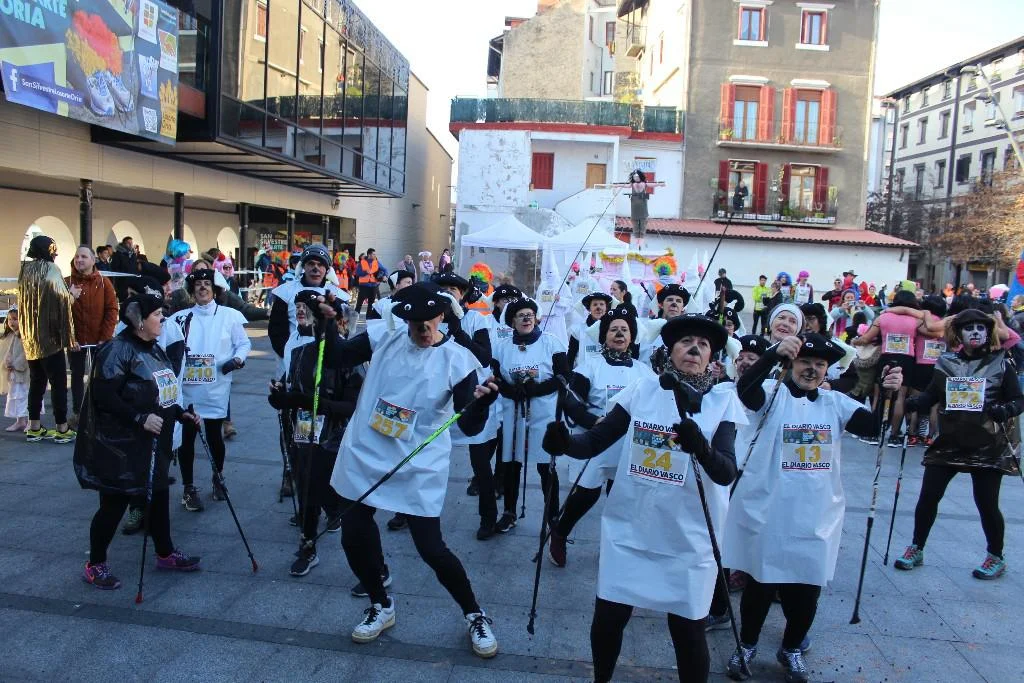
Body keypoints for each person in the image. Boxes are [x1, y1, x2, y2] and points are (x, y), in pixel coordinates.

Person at [542, 313, 745, 683]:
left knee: (687, 632)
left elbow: (726, 472)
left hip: (689, 540)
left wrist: (702, 448)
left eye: (702, 344)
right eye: (686, 342)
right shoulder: (642, 390)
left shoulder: (723, 402)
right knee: (608, 618)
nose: (694, 348)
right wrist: (564, 443)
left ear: (711, 358)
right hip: (631, 530)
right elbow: (596, 440)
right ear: (670, 351)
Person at [321, 282, 500, 657]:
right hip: (366, 450)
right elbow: (336, 357)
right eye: (414, 322)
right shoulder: (383, 338)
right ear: (404, 320)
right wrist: (328, 322)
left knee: (431, 548)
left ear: (442, 316)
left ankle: (474, 613)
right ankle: (380, 604)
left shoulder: (456, 360)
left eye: (429, 321)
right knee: (353, 534)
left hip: (418, 460)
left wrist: (482, 404)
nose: (422, 328)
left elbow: (469, 425)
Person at [725, 333, 904, 682]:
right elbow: (745, 389)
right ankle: (746, 644)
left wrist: (888, 392)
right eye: (805, 362)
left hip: (815, 516)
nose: (812, 369)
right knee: (761, 584)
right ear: (792, 363)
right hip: (769, 512)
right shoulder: (771, 395)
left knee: (807, 589)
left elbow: (875, 427)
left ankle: (791, 647)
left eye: (820, 364)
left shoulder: (834, 403)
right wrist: (771, 355)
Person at [74, 293, 203, 590]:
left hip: (152, 442)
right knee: (115, 502)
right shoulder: (117, 350)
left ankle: (165, 553)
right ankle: (95, 564)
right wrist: (138, 418)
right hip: (120, 444)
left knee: (158, 494)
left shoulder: (153, 348)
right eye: (156, 314)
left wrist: (180, 413)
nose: (162, 319)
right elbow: (103, 395)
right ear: (139, 321)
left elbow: (160, 392)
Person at [895, 309, 1024, 579]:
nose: (975, 332)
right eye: (969, 327)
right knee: (928, 496)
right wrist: (914, 402)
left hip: (988, 445)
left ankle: (996, 556)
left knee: (986, 503)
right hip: (950, 442)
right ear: (958, 334)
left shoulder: (1001, 362)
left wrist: (1006, 409)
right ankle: (916, 547)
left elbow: (1019, 399)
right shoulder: (946, 362)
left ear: (988, 333)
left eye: (981, 327)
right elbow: (932, 395)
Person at [548, 306, 656, 567]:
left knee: (621, 497)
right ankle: (560, 533)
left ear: (632, 337)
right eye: (613, 330)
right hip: (595, 441)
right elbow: (571, 404)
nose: (619, 334)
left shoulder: (644, 371)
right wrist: (595, 422)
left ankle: (615, 546)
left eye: (624, 330)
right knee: (586, 495)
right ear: (604, 336)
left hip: (628, 444)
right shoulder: (589, 367)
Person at [270, 291, 360, 577]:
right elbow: (292, 393)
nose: (302, 313)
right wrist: (280, 398)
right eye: (297, 308)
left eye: (307, 309)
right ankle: (307, 546)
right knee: (307, 488)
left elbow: (354, 405)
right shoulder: (299, 353)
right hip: (305, 432)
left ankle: (336, 515)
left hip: (337, 437)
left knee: (333, 491)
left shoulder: (348, 356)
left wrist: (324, 406)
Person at [169, 269, 251, 511]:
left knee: (215, 435)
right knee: (187, 437)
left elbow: (243, 343)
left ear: (215, 289)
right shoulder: (180, 318)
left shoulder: (230, 316)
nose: (203, 287)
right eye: (198, 284)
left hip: (216, 385)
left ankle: (218, 477)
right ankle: (188, 487)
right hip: (188, 388)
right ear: (192, 290)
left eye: (207, 283)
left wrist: (237, 359)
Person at [491, 296, 569, 532]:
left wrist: (538, 389)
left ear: (536, 318)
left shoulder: (551, 342)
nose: (526, 319)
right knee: (512, 464)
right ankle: (509, 512)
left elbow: (564, 376)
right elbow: (496, 377)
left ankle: (553, 516)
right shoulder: (502, 346)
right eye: (520, 316)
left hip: (543, 414)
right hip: (513, 412)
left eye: (530, 315)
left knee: (546, 466)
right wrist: (510, 390)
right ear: (512, 321)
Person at [17, 235, 76, 443]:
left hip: (30, 339)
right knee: (58, 384)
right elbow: (63, 299)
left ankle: (34, 427)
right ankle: (62, 428)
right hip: (51, 339)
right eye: (53, 250)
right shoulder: (52, 269)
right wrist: (73, 295)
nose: (56, 254)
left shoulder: (25, 270)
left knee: (37, 383)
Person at [269, 245, 349, 380]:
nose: (315, 268)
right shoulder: (285, 292)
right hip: (291, 361)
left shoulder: (339, 296)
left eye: (320, 265)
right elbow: (276, 331)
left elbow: (344, 332)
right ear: (303, 266)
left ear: (327, 269)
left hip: (325, 362)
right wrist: (290, 354)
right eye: (311, 263)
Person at [852, 290, 920, 446]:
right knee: (900, 397)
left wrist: (855, 342)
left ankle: (875, 432)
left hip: (886, 358)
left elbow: (866, 339)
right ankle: (894, 435)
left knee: (880, 396)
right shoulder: (916, 320)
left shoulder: (883, 317)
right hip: (907, 360)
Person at [66, 246, 118, 427]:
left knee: (100, 376)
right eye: (76, 256)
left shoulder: (104, 283)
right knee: (77, 376)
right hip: (76, 342)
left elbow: (112, 310)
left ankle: (100, 412)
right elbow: (60, 313)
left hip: (99, 341)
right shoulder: (66, 282)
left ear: (93, 260)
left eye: (83, 256)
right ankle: (78, 414)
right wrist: (70, 338)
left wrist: (105, 337)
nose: (79, 260)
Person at [1, 306, 29, 432]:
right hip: (14, 373)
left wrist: (16, 364)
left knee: (26, 395)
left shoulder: (26, 336)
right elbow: (8, 352)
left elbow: (25, 354)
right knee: (16, 396)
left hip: (25, 373)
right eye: (9, 319)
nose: (11, 322)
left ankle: (30, 421)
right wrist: (7, 361)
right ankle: (20, 421)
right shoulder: (12, 336)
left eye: (15, 319)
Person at [567, 292, 612, 368]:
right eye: (595, 304)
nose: (598, 307)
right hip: (582, 372)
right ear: (589, 308)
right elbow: (571, 355)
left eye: (601, 304)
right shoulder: (578, 330)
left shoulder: (613, 329)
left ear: (606, 308)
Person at [354, 248, 387, 317]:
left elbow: (385, 269)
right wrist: (365, 272)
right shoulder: (362, 262)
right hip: (364, 286)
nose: (375, 255)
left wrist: (385, 275)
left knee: (371, 305)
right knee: (359, 304)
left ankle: (368, 320)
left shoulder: (376, 262)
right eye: (373, 254)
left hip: (373, 286)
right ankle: (354, 320)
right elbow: (357, 273)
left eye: (375, 254)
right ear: (369, 255)